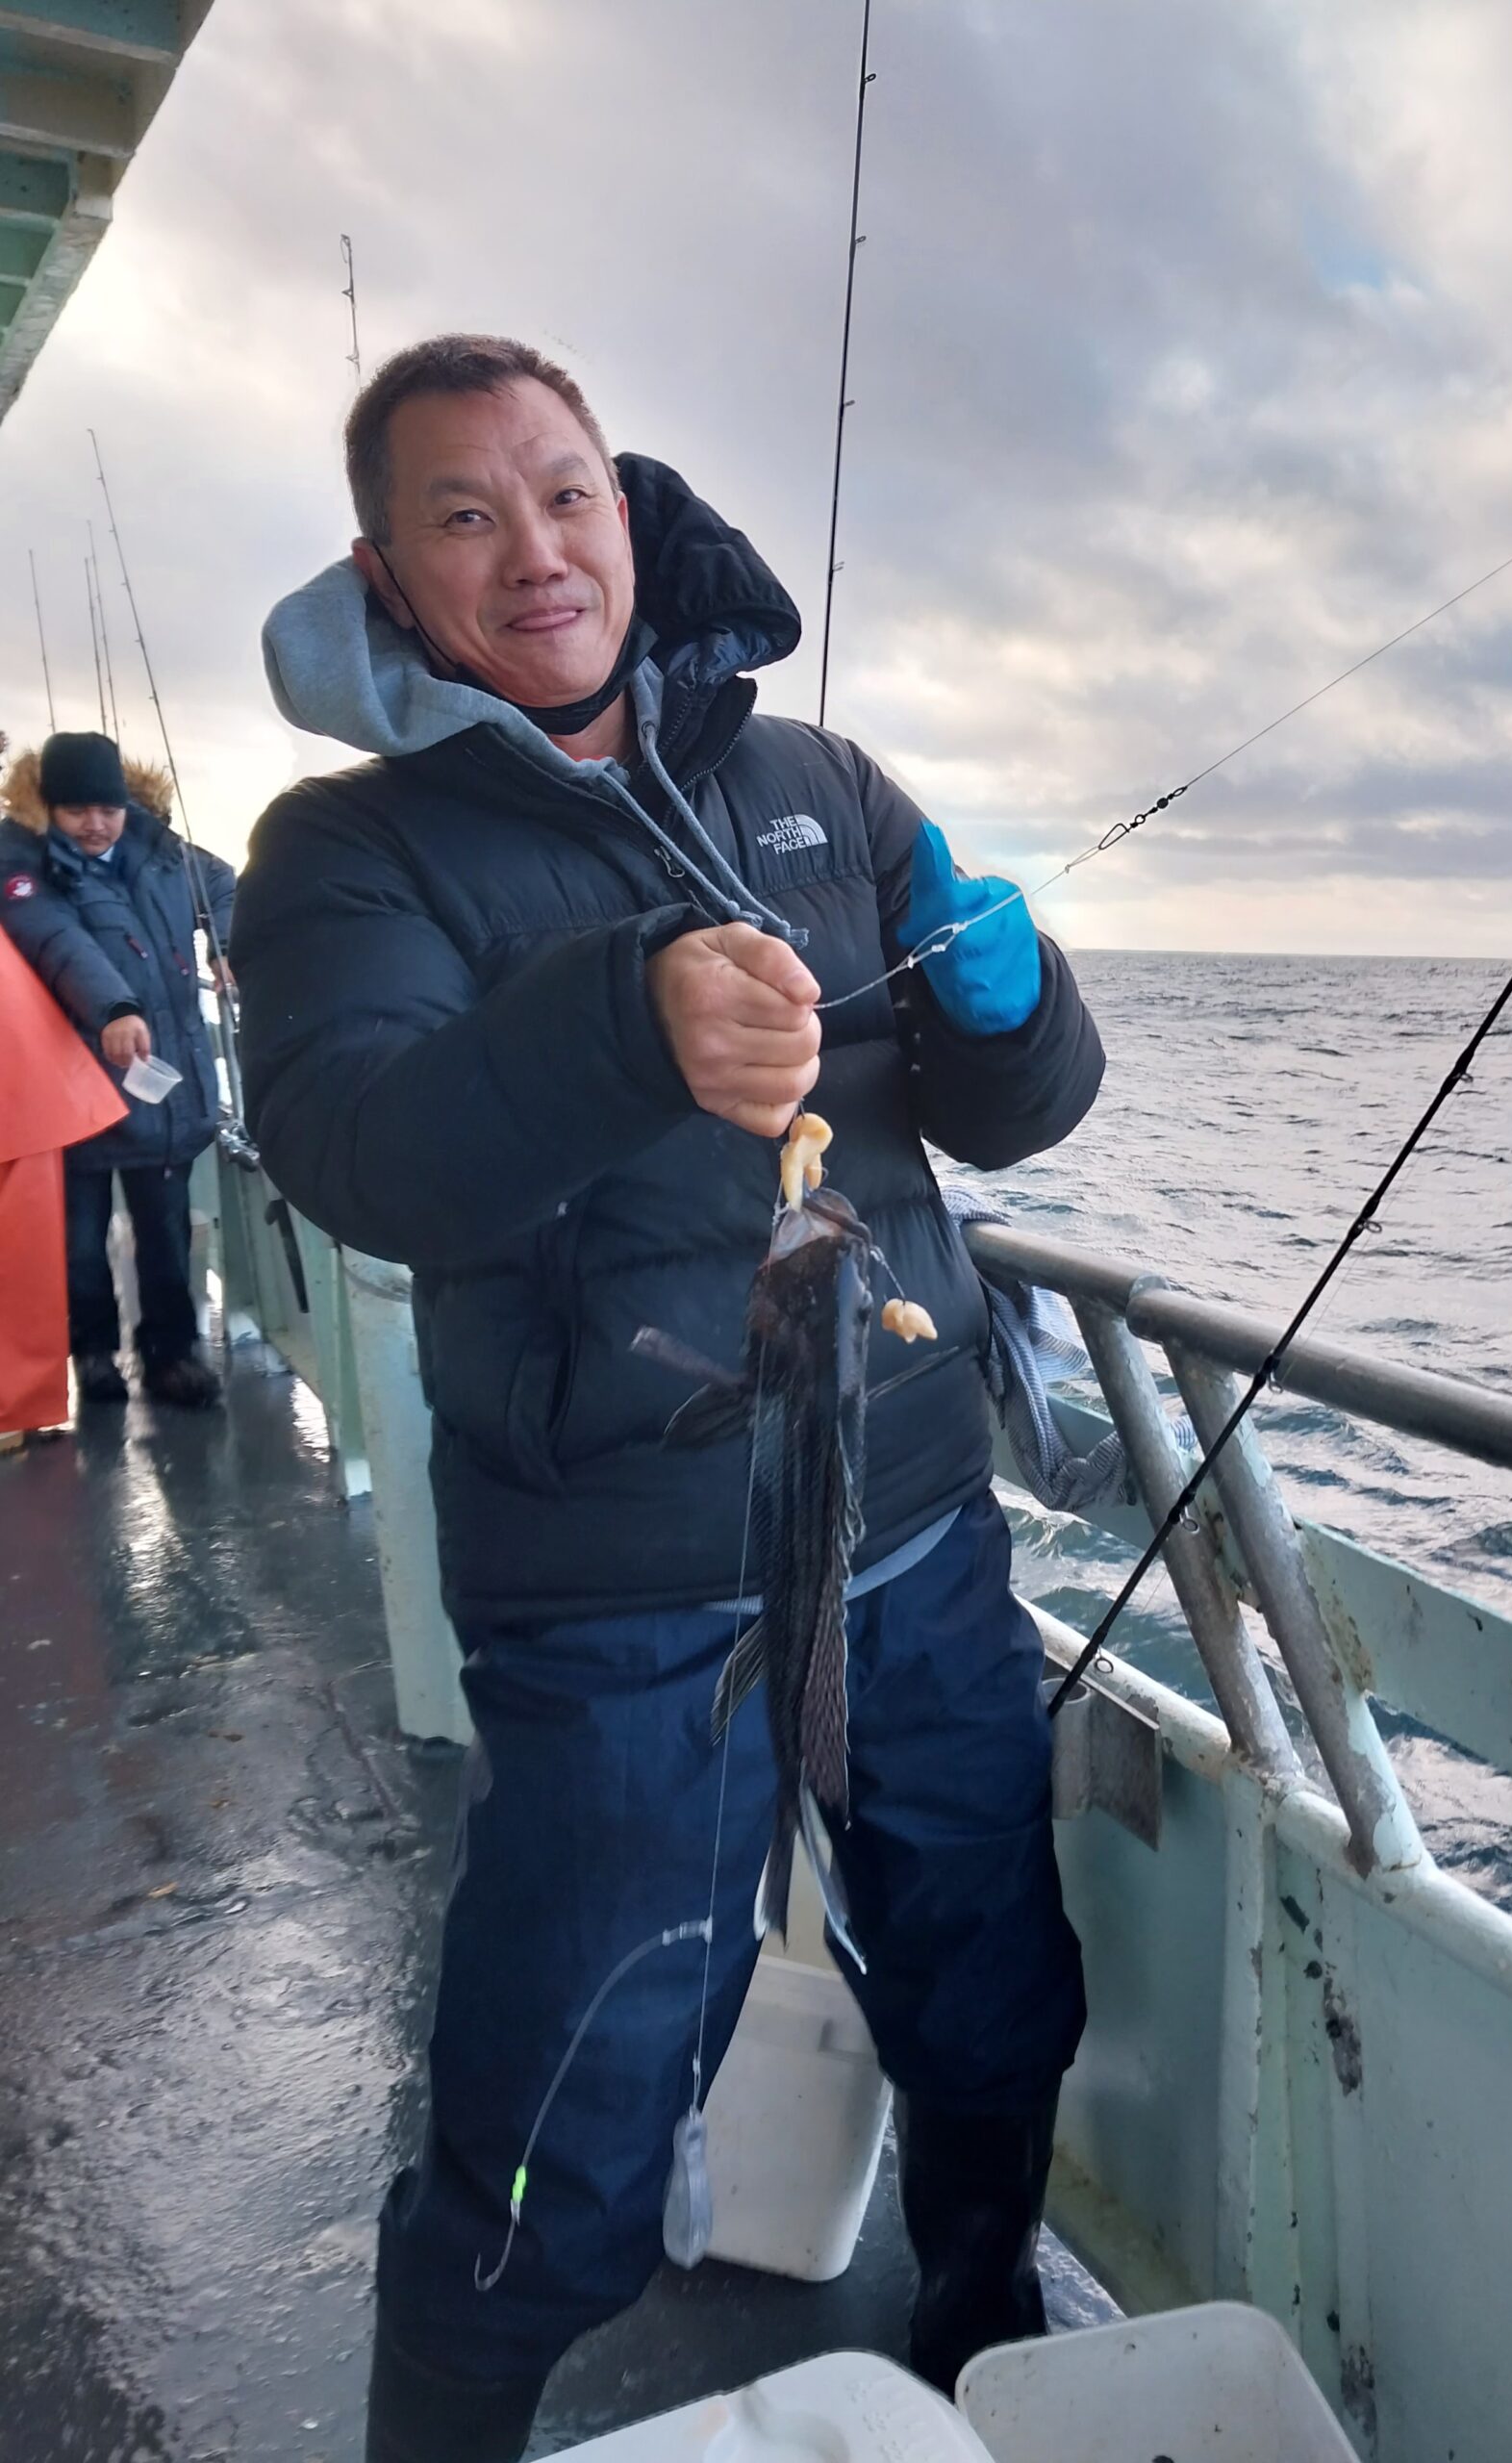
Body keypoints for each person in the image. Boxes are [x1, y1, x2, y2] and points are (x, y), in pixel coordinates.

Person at [233, 334, 1105, 2463]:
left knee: (988, 1967)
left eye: (565, 492)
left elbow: (1013, 1117)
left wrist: (1019, 1007)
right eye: (466, 513)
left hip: (911, 1523)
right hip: (621, 1597)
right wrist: (625, 1024)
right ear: (388, 571)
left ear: (626, 505)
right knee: (569, 2109)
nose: (534, 549)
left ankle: (977, 2296)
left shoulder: (824, 781)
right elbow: (360, 1149)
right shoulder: (348, 852)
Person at [0, 732, 235, 1408]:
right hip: (75, 1098)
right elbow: (56, 939)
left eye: (107, 808)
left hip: (164, 1092)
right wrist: (115, 1007)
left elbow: (222, 884)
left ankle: (171, 1356)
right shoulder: (21, 866)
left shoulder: (162, 853)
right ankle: (94, 1354)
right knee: (77, 1244)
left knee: (164, 1236)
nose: (96, 824)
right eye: (76, 811)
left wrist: (227, 944)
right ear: (48, 808)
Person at [0, 878, 129, 1450]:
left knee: (31, 1250)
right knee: (29, 1251)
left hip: (23, 1078)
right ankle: (18, 1404)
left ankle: (19, 1404)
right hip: (26, 1080)